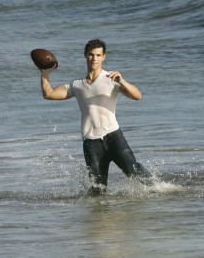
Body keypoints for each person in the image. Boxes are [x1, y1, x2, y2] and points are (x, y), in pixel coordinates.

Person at [40, 39, 150, 195]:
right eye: (91, 55)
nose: (94, 58)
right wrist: (44, 73)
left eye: (98, 55)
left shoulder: (112, 79)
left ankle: (159, 190)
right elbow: (49, 94)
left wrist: (122, 81)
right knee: (97, 190)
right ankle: (100, 217)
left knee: (134, 172)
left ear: (103, 57)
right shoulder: (76, 85)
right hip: (91, 143)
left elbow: (137, 96)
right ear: (85, 55)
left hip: (114, 137)